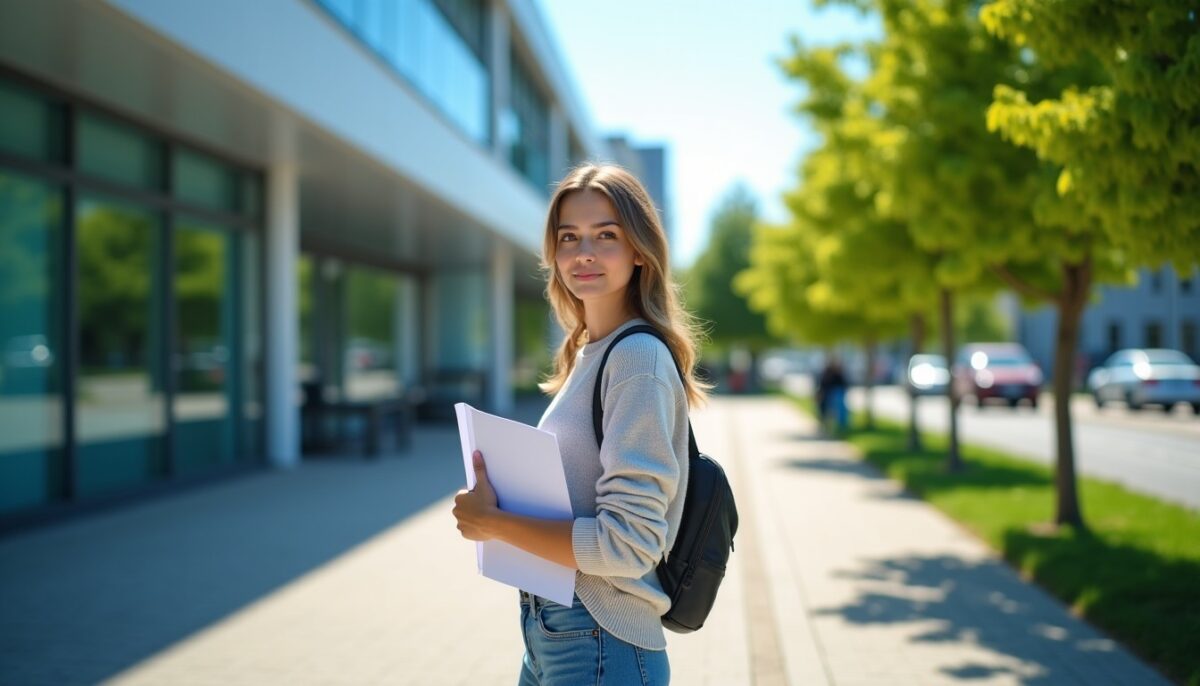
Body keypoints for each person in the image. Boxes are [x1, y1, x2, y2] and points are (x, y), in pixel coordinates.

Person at [452, 164, 707, 685]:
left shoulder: (636, 358)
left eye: (606, 235)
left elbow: (627, 543)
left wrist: (495, 524)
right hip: (552, 628)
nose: (583, 252)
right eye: (569, 237)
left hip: (599, 639)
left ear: (639, 250)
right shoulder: (588, 353)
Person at [816, 356, 848, 435]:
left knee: (838, 412)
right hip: (829, 395)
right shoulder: (827, 373)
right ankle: (828, 426)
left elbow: (844, 384)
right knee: (828, 411)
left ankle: (838, 427)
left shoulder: (838, 374)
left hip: (835, 394)